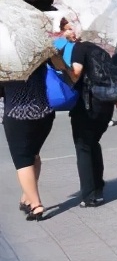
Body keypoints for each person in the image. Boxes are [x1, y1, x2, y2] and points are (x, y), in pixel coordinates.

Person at [56, 21, 117, 207]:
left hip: (87, 105)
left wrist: (60, 66)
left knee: (83, 146)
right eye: (65, 29)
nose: (67, 33)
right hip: (106, 105)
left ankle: (90, 195)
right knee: (93, 143)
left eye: (70, 28)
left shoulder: (79, 48)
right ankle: (98, 186)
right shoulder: (102, 48)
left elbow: (76, 73)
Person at [3, 59, 59, 221]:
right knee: (34, 155)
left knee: (22, 160)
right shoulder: (38, 52)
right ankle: (27, 197)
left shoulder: (5, 60)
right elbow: (61, 67)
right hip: (44, 113)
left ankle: (36, 204)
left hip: (18, 115)